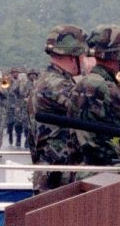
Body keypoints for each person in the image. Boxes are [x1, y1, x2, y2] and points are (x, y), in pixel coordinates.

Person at [28, 23, 92, 191]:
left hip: (59, 173)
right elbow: (92, 109)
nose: (86, 61)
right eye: (84, 56)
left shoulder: (53, 80)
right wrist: (96, 75)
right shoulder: (54, 84)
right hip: (57, 178)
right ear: (73, 57)